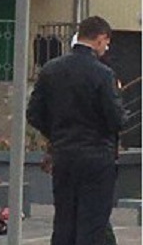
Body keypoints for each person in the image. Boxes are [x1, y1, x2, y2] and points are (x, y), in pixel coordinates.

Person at [27, 16, 126, 245]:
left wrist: (56, 133)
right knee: (92, 224)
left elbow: (33, 113)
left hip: (64, 156)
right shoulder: (103, 74)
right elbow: (116, 118)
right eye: (106, 43)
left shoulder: (51, 70)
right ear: (100, 39)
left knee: (64, 222)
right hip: (97, 158)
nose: (106, 48)